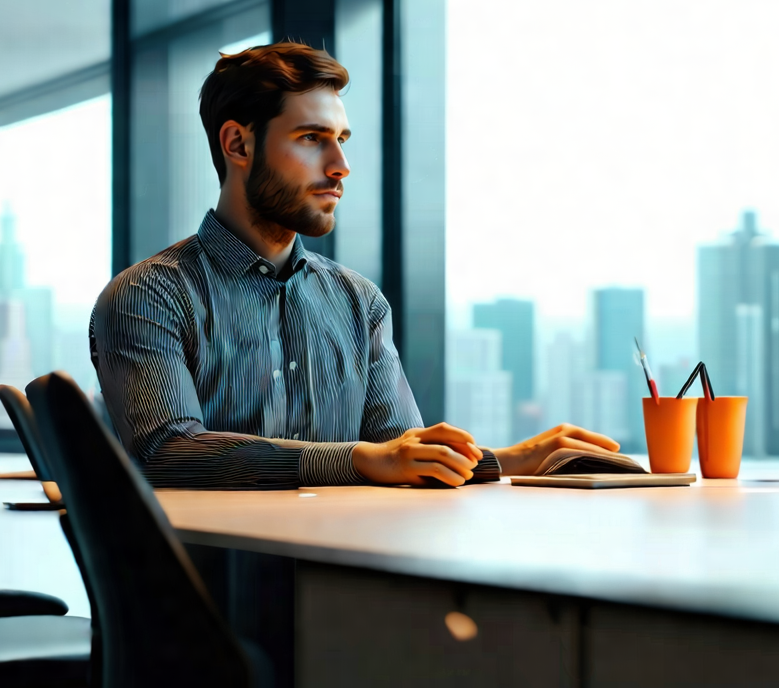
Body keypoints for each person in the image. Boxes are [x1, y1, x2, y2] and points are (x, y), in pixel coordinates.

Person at [90, 41, 619, 489]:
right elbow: (166, 451)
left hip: (343, 573)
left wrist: (516, 460)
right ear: (238, 143)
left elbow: (399, 456)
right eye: (312, 139)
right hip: (212, 589)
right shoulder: (148, 295)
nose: (340, 167)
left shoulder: (358, 301)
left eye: (340, 141)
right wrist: (359, 458)